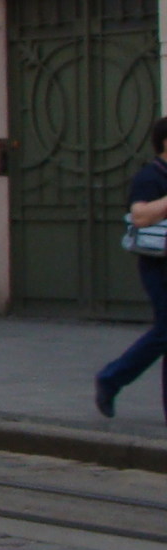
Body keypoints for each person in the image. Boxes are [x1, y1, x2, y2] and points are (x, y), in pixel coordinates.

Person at [98, 117, 167, 420]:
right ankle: (112, 377)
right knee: (166, 332)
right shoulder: (149, 177)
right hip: (158, 266)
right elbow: (139, 215)